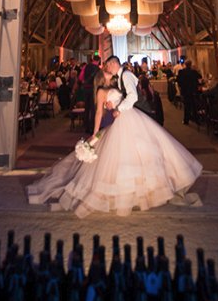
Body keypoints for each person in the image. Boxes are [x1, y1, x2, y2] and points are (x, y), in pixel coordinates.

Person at [27, 55, 202, 217]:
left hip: (130, 118)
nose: (107, 69)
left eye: (108, 66)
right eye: (105, 70)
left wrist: (117, 107)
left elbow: (131, 96)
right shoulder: (103, 90)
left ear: (113, 64)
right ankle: (128, 194)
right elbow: (98, 113)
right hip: (123, 121)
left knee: (142, 151)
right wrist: (96, 132)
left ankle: (144, 191)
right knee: (125, 156)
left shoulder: (121, 79)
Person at [176, 58, 201, 125]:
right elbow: (199, 77)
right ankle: (196, 119)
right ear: (191, 64)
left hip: (185, 91)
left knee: (187, 106)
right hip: (193, 91)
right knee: (194, 105)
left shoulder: (181, 72)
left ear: (185, 64)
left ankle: (186, 120)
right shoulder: (194, 72)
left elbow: (178, 81)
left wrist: (181, 87)